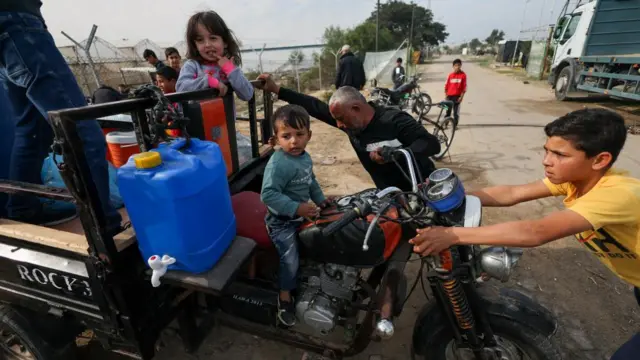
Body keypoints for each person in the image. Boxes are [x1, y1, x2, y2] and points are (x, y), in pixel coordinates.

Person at [408, 108, 640, 358]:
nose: (546, 160)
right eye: (547, 150)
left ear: (599, 160)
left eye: (560, 154)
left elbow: (536, 232)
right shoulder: (576, 178)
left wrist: (452, 234)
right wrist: (443, 197)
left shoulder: (618, 194)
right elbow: (511, 193)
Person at [0, 1, 122, 232]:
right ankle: (106, 231)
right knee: (80, 129)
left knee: (32, 131)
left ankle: (22, 210)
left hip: (9, 28)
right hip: (20, 24)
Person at [256, 74, 441, 191]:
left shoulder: (394, 120)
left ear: (356, 108)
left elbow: (432, 144)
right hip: (391, 195)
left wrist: (394, 154)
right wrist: (277, 89)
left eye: (342, 119)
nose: (339, 125)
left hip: (422, 188)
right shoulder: (350, 124)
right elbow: (313, 105)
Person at [261, 104, 329, 326]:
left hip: (298, 216)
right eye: (286, 136)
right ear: (277, 138)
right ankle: (284, 297)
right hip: (281, 222)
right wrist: (297, 208)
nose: (294, 141)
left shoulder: (304, 158)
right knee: (290, 259)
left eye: (299, 135)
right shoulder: (278, 164)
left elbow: (310, 181)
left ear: (309, 135)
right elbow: (268, 195)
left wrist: (320, 200)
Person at [176, 10, 254, 164]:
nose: (207, 45)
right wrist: (208, 81)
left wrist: (230, 70)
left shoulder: (229, 66)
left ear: (225, 42)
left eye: (213, 38)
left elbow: (247, 94)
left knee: (230, 164)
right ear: (194, 44)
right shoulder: (193, 66)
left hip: (225, 129)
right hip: (198, 134)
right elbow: (181, 87)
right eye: (200, 40)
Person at [444, 58, 467, 127]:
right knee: (447, 111)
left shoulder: (463, 75)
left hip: (457, 97)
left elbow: (464, 87)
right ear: (453, 66)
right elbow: (446, 86)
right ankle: (445, 124)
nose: (457, 67)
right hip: (449, 96)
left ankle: (455, 125)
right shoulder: (450, 75)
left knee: (456, 113)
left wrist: (461, 97)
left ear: (461, 66)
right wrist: (446, 95)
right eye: (456, 65)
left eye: (459, 65)